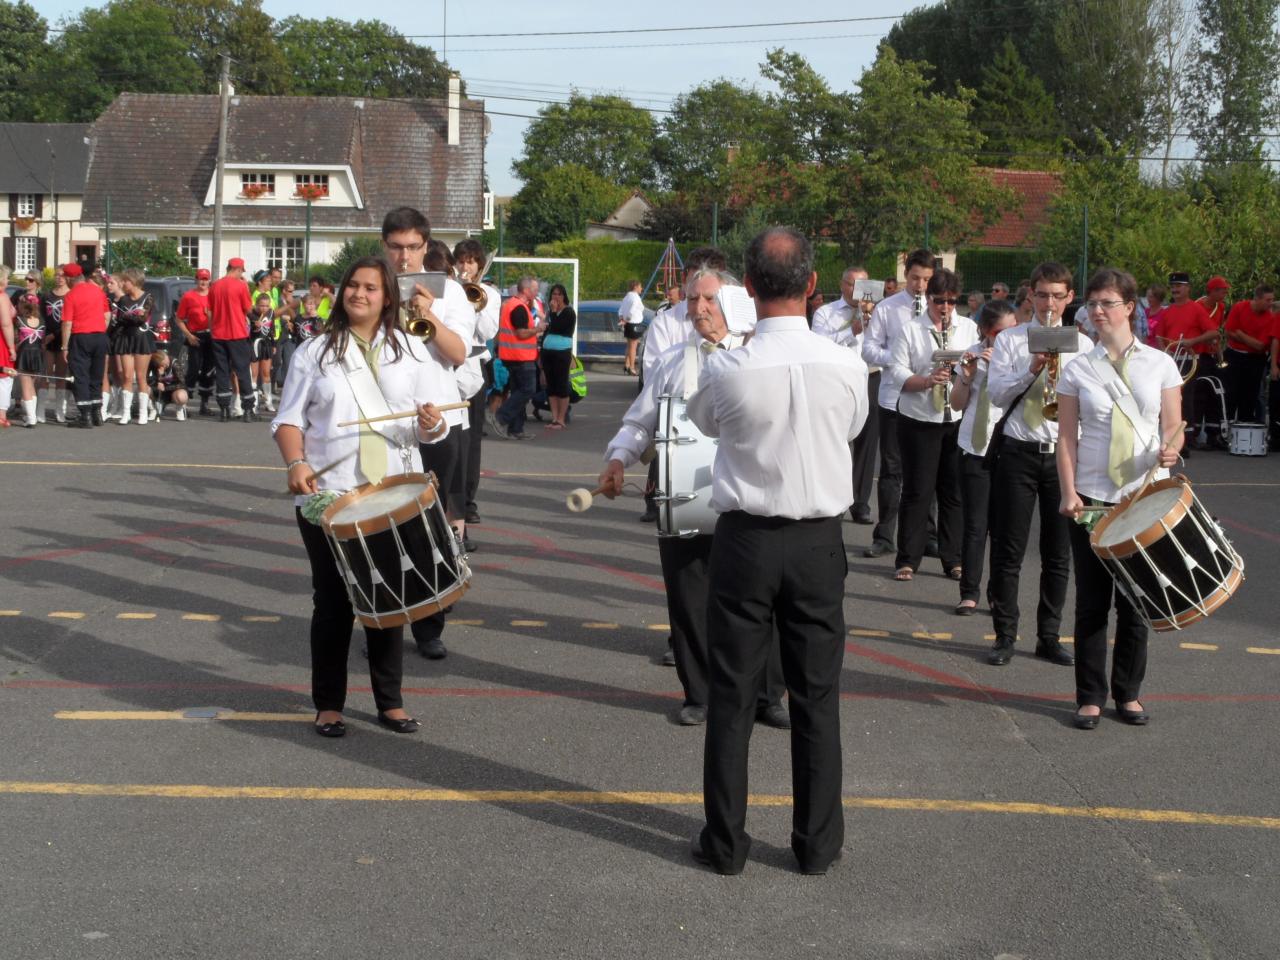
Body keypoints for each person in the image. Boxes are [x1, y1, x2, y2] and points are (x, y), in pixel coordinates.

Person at [687, 227, 868, 877]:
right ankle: (816, 845)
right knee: (817, 696)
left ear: (749, 286)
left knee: (732, 695)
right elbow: (852, 428)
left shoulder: (727, 366)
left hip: (746, 539)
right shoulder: (847, 362)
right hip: (819, 539)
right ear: (813, 287)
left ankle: (726, 842)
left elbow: (706, 422)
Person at [599, 267, 788, 729]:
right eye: (691, 299)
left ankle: (767, 695)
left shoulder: (760, 356)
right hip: (684, 497)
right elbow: (640, 421)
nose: (698, 308)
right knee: (689, 597)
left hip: (751, 497)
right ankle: (699, 694)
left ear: (732, 303)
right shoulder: (670, 361)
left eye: (708, 299)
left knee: (764, 598)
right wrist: (619, 458)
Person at [272, 256, 453, 738]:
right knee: (332, 602)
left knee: (388, 599)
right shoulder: (313, 352)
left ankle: (389, 703)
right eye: (353, 285)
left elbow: (432, 424)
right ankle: (328, 704)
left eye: (371, 288)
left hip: (391, 492)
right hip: (330, 494)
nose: (359, 294)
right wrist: (296, 462)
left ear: (387, 296)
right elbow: (288, 420)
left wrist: (431, 425)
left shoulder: (412, 351)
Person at [1056, 267, 1182, 730]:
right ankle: (1089, 696)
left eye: (1107, 303)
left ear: (1129, 308)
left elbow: (1173, 424)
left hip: (1144, 496)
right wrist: (1068, 491)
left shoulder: (1160, 364)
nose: (1097, 311)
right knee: (1092, 600)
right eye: (1092, 304)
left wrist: (1173, 447)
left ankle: (1128, 694)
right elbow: (1066, 438)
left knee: (1136, 601)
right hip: (1091, 495)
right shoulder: (1077, 368)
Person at [984, 262, 1090, 667]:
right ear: (1031, 295)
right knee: (1008, 550)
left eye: (1057, 295)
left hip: (1063, 456)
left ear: (1068, 298)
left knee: (1058, 554)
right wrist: (1032, 367)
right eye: (1041, 295)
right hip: (1018, 452)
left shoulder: (1083, 344)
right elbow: (996, 395)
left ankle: (1049, 635)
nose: (1048, 303)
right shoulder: (1011, 340)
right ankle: (1004, 635)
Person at [380, 206, 472, 660]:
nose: (404, 257)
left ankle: (430, 625)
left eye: (412, 247)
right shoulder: (372, 286)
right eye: (395, 248)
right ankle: (387, 624)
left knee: (431, 530)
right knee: (384, 528)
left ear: (425, 246)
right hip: (384, 424)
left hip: (439, 420)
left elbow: (457, 354)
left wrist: (428, 315)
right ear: (385, 247)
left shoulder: (450, 291)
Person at [887, 268, 976, 582]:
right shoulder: (911, 329)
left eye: (952, 301)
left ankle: (953, 559)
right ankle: (907, 558)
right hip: (919, 417)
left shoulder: (968, 328)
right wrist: (926, 380)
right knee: (917, 490)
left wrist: (965, 371)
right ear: (928, 298)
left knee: (953, 491)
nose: (946, 307)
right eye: (940, 300)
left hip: (955, 416)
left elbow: (976, 365)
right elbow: (895, 369)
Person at [639, 248, 730, 525]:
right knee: (664, 459)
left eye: (709, 294)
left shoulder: (743, 327)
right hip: (676, 413)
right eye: (693, 293)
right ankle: (657, 501)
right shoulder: (666, 321)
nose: (700, 301)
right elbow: (654, 368)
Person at [862, 249, 935, 558]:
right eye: (916, 278)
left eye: (927, 280)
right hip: (894, 398)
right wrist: (896, 359)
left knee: (926, 470)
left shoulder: (938, 309)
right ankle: (884, 535)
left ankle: (927, 536)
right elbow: (869, 349)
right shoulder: (888, 308)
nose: (921, 285)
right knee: (892, 469)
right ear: (907, 274)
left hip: (929, 400)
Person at [949, 300, 1017, 614]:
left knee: (1004, 527)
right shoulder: (971, 354)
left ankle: (997, 593)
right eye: (1000, 332)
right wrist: (966, 375)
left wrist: (1006, 368)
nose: (1007, 337)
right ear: (985, 332)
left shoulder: (1023, 357)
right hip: (974, 446)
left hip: (1007, 445)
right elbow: (958, 404)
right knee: (975, 524)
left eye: (1011, 331)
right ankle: (969, 592)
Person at [812, 266, 877, 524]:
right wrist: (853, 330)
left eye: (863, 285)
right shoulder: (825, 313)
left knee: (867, 443)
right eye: (852, 284)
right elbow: (820, 345)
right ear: (842, 285)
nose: (856, 290)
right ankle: (832, 497)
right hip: (837, 380)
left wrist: (871, 321)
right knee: (835, 440)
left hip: (870, 376)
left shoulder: (877, 313)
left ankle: (861, 503)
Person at [454, 238, 500, 527]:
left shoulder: (490, 294)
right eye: (460, 261)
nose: (464, 266)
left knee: (471, 441)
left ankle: (468, 501)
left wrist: (474, 303)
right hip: (447, 367)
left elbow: (488, 331)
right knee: (450, 436)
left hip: (474, 367)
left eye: (470, 261)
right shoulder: (448, 289)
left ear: (479, 265)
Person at [1156, 272, 1218, 449]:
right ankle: (1169, 434)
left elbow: (1213, 332)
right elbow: (1160, 335)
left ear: (1188, 288)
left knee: (1186, 398)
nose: (1175, 289)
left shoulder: (1196, 308)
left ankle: (1187, 439)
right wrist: (1163, 353)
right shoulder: (1167, 311)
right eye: (1173, 286)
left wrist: (1192, 342)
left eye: (1179, 286)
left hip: (1189, 359)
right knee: (1169, 398)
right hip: (1171, 359)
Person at [59, 263, 111, 428]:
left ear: (69, 278)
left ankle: (85, 416)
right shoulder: (97, 290)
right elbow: (107, 315)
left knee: (81, 376)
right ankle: (97, 414)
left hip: (81, 336)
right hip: (100, 336)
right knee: (96, 375)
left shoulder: (70, 295)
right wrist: (100, 329)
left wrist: (65, 347)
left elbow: (67, 323)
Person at [492, 276, 544, 441]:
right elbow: (521, 333)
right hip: (521, 356)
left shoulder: (510, 304)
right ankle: (500, 416)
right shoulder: (519, 308)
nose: (537, 292)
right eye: (535, 289)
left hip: (511, 356)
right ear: (526, 290)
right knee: (527, 390)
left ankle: (516, 428)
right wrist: (537, 329)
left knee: (517, 391)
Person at [209, 257, 257, 422]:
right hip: (237, 334)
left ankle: (224, 410)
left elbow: (211, 310)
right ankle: (248, 410)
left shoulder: (214, 286)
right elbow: (248, 309)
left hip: (217, 334)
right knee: (243, 371)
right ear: (238, 269)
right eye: (241, 271)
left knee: (222, 372)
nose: (241, 274)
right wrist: (254, 318)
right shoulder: (241, 286)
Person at [1223, 284, 1273, 423]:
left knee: (1250, 395)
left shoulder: (1269, 317)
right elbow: (1228, 332)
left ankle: (1245, 427)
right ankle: (1227, 425)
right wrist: (1244, 337)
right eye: (1267, 300)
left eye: (1271, 300)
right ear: (1257, 298)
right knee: (1231, 392)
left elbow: (1260, 345)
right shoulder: (1239, 307)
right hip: (1234, 355)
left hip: (1255, 358)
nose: (1270, 304)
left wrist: (1239, 333)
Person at [112, 269, 157, 425]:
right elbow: (119, 319)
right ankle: (126, 412)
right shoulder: (123, 300)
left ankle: (144, 413)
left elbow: (142, 318)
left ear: (134, 281)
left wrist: (128, 317)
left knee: (141, 377)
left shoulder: (148, 297)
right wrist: (129, 317)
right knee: (126, 376)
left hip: (142, 339)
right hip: (126, 339)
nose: (123, 284)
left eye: (126, 281)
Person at [175, 268, 215, 416]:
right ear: (196, 280)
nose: (203, 282)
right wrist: (189, 335)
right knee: (193, 369)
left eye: (205, 279)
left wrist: (210, 317)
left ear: (209, 280)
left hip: (211, 336)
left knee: (208, 370)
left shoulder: (213, 295)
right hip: (195, 336)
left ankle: (204, 404)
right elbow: (179, 319)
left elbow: (218, 318)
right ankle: (184, 404)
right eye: (200, 278)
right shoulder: (189, 296)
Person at [541, 283, 576, 430]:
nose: (556, 297)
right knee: (551, 385)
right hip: (548, 351)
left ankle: (561, 419)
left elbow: (558, 327)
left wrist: (554, 312)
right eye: (554, 294)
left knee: (561, 385)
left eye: (559, 294)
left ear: (564, 296)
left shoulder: (568, 312)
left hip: (562, 352)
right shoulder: (551, 312)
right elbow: (546, 330)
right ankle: (554, 417)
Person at [13, 294, 48, 427]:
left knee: (26, 387)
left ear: (23, 305)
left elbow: (16, 339)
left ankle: (31, 418)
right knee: (31, 386)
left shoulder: (19, 320)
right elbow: (43, 340)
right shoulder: (42, 321)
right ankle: (31, 416)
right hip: (37, 354)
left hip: (24, 354)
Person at [249, 292, 277, 412]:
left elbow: (272, 328)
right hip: (254, 344)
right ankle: (253, 403)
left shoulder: (271, 312)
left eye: (266, 306)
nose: (264, 308)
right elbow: (249, 331)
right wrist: (255, 327)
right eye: (261, 305)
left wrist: (274, 344)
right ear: (256, 304)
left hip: (266, 345)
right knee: (253, 375)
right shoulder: (251, 314)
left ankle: (268, 401)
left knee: (266, 373)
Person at [147, 349, 189, 420]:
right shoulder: (154, 364)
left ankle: (179, 408)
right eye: (162, 364)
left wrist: (166, 388)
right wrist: (158, 377)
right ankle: (153, 409)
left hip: (174, 391)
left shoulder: (175, 364)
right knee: (145, 389)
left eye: (166, 362)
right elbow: (147, 379)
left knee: (181, 396)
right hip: (159, 392)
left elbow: (182, 383)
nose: (166, 365)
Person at [618, 279, 645, 376]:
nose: (641, 288)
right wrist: (627, 319)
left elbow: (620, 310)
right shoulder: (636, 298)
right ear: (635, 287)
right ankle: (632, 368)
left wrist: (622, 319)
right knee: (633, 346)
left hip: (628, 324)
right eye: (640, 286)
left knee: (629, 345)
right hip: (633, 323)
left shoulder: (626, 297)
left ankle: (626, 365)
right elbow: (632, 310)